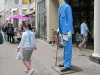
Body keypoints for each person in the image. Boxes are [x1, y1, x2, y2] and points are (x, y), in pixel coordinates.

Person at [58, 0, 74, 72]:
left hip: (67, 31)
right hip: (62, 31)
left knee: (68, 48)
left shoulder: (67, 7)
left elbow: (70, 19)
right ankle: (64, 62)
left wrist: (69, 30)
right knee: (65, 47)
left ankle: (67, 64)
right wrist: (59, 29)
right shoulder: (60, 8)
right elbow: (60, 20)